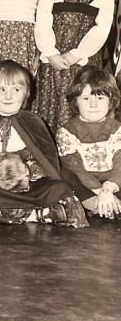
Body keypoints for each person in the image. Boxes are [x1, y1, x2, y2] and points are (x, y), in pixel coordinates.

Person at [0, 60, 88, 227]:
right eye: (1, 89)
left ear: (26, 93)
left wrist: (27, 173)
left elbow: (46, 162)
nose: (8, 96)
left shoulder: (33, 121)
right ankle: (35, 213)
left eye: (16, 90)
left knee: (58, 188)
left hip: (27, 188)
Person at [34, 0, 115, 132]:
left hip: (84, 61)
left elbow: (102, 26)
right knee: (50, 107)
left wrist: (76, 54)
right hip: (53, 60)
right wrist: (50, 52)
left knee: (84, 106)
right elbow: (42, 18)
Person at [56, 66, 121, 219]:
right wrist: (100, 192)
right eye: (86, 98)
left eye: (100, 98)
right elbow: (76, 168)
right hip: (86, 186)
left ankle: (105, 206)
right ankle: (102, 205)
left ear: (111, 101)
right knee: (64, 174)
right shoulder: (67, 131)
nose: (93, 104)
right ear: (75, 102)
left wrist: (108, 189)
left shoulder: (117, 129)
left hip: (113, 183)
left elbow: (120, 162)